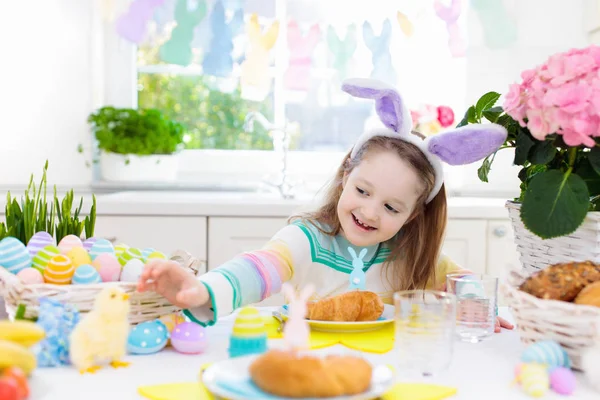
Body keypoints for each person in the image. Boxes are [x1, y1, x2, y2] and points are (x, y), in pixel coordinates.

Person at [137, 78, 514, 332]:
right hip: (304, 363)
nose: (369, 212)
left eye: (391, 208)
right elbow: (258, 269)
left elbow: (461, 282)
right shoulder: (306, 238)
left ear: (413, 214)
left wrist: (478, 307)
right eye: (363, 191)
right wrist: (203, 290)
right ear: (346, 174)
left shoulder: (410, 255)